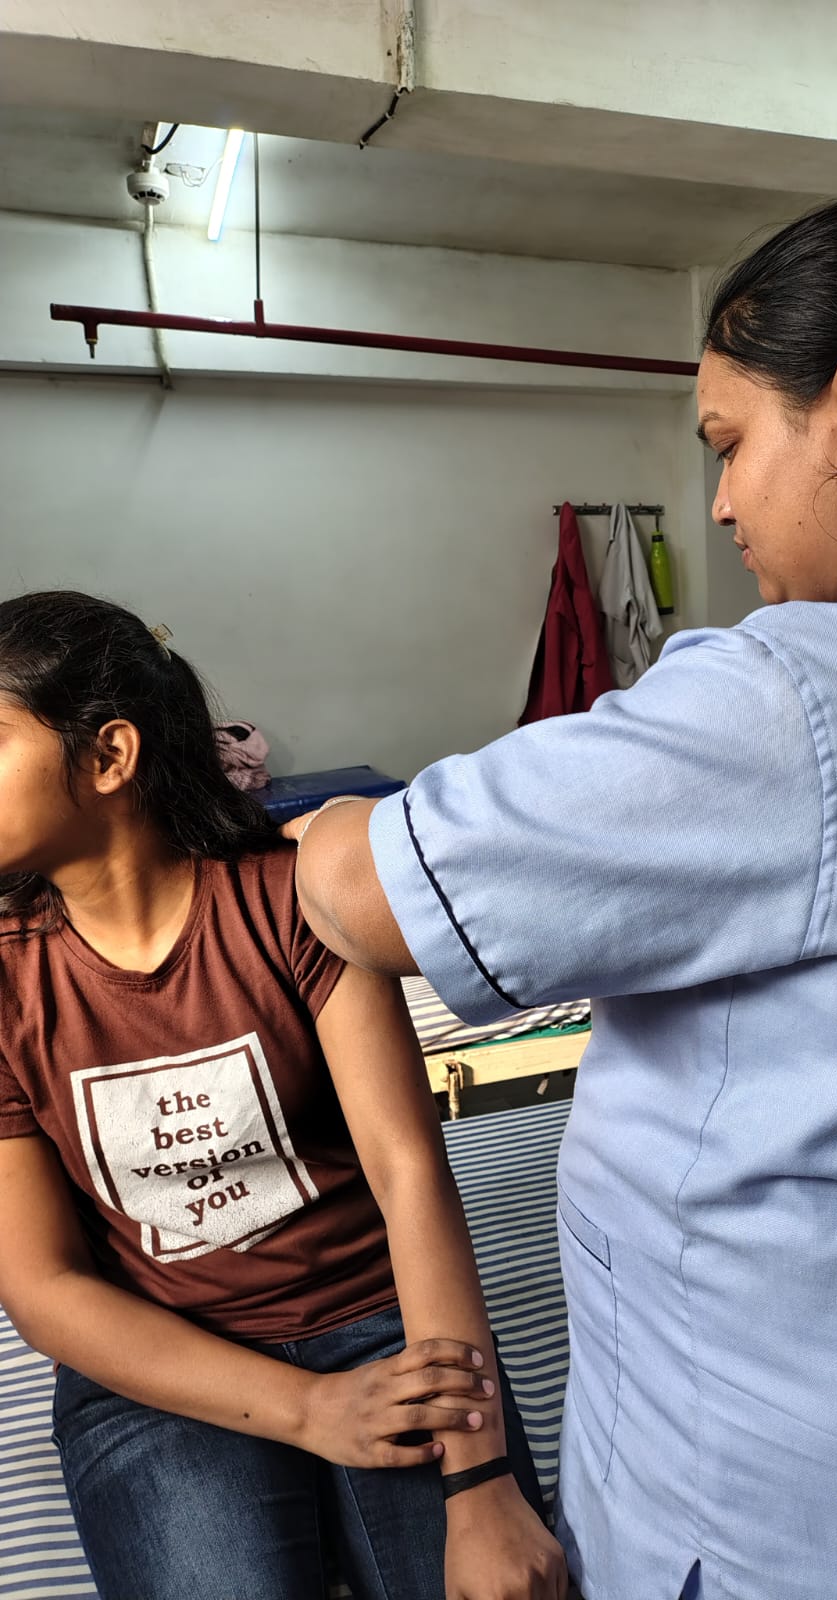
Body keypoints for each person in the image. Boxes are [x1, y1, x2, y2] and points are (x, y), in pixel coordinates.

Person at [287, 171, 837, 1600]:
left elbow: (368, 893)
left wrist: (317, 821)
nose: (717, 504)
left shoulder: (800, 696)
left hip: (826, 1502)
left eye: (728, 443)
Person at [0, 591, 567, 1600]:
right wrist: (311, 1412)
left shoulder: (291, 900)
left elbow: (407, 1172)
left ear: (109, 756)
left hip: (379, 1321)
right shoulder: (10, 981)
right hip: (161, 1362)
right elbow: (42, 1287)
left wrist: (479, 1483)